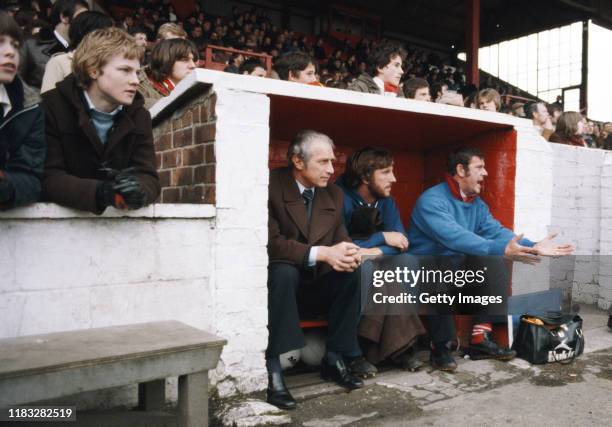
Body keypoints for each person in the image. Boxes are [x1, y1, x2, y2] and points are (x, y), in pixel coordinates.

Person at [408, 147, 574, 371]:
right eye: (479, 167)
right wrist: (501, 248)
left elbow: (497, 232)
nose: (485, 173)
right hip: (426, 270)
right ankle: (440, 348)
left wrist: (532, 246)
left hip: (457, 268)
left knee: (493, 259)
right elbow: (455, 238)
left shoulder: (476, 204)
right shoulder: (432, 200)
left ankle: (479, 338)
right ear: (461, 170)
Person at [266, 130, 366, 409]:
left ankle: (334, 358)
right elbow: (270, 244)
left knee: (353, 272)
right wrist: (323, 253)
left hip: (315, 287)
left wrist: (349, 253)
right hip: (280, 290)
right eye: (323, 162)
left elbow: (341, 236)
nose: (331, 170)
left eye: (332, 162)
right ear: (298, 161)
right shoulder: (270, 185)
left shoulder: (332, 194)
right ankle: (273, 367)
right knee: (283, 271)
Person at [41, 27, 160, 214]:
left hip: (116, 231)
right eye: (125, 70)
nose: (136, 80)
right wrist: (100, 193)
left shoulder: (140, 115)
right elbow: (49, 177)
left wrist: (139, 191)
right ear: (93, 70)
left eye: (137, 72)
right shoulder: (52, 107)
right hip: (57, 227)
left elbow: (148, 177)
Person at [337, 147, 426, 372]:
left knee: (408, 262)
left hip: (374, 259)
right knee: (374, 272)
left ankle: (391, 348)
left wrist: (375, 251)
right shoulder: (338, 196)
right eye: (385, 172)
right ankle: (396, 348)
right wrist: (382, 237)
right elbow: (339, 245)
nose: (393, 179)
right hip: (342, 266)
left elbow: (402, 242)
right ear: (365, 176)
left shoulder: (386, 201)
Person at [0, 11, 45, 210]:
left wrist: (6, 186)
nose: (10, 52)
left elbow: (30, 178)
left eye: (15, 46)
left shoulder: (30, 108)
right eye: (0, 42)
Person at [19, 0, 89, 88]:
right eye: (82, 17)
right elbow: (17, 81)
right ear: (64, 17)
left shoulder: (84, 49)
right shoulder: (30, 45)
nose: (86, 21)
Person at [40, 11, 113, 94]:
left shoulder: (111, 62)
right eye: (106, 34)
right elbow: (49, 98)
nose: (110, 39)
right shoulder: (60, 62)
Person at [138, 38, 198, 109]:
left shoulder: (193, 91)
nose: (193, 65)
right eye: (185, 60)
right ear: (167, 61)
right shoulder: (141, 88)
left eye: (193, 60)